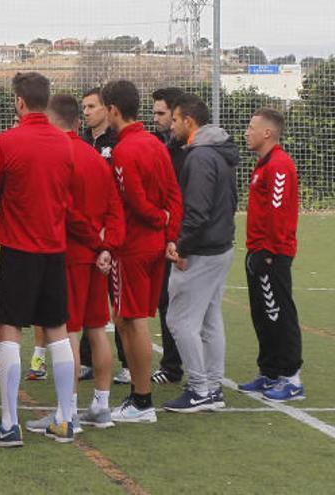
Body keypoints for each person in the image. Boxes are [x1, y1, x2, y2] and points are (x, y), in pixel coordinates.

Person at [0, 72, 75, 446]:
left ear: (20, 101)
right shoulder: (65, 143)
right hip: (54, 247)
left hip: (19, 248)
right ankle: (66, 419)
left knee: (9, 327)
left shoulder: (6, 141)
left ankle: (9, 423)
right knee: (57, 329)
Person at [101, 80, 182, 423]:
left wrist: (156, 219)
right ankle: (138, 395)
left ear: (114, 110)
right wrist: (169, 231)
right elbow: (174, 194)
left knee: (132, 322)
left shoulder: (125, 149)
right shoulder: (156, 144)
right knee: (128, 319)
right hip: (153, 246)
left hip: (133, 246)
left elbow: (134, 200)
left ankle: (141, 399)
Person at [50, 93, 124, 429]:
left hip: (73, 256)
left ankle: (68, 413)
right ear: (78, 122)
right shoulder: (95, 157)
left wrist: (97, 244)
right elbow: (114, 207)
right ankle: (102, 405)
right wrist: (107, 246)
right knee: (97, 330)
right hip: (99, 258)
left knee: (69, 331)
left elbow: (67, 211)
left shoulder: (60, 155)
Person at [162, 94, 238, 413]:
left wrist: (182, 245)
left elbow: (197, 209)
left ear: (189, 122)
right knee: (208, 318)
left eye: (175, 120)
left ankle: (200, 388)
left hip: (203, 250)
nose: (172, 125)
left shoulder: (200, 156)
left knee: (179, 320)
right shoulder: (220, 153)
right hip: (220, 246)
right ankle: (212, 385)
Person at [238, 108, 304, 402]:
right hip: (259, 251)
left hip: (271, 255)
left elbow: (277, 213)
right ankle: (270, 372)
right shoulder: (263, 164)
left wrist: (268, 251)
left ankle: (291, 378)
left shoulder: (279, 166)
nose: (246, 132)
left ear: (267, 133)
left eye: (252, 127)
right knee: (263, 314)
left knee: (279, 314)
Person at [75, 87, 129, 384]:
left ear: (107, 109)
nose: (87, 112)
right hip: (87, 236)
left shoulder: (117, 143)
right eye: (83, 107)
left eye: (92, 106)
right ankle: (85, 361)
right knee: (87, 303)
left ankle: (128, 362)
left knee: (117, 301)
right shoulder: (84, 143)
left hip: (111, 234)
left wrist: (109, 231)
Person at [150, 87, 187, 386]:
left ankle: (177, 367)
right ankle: (174, 365)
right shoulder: (167, 147)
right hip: (171, 238)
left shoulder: (188, 155)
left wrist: (179, 238)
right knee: (167, 301)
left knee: (177, 304)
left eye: (162, 114)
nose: (157, 119)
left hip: (182, 241)